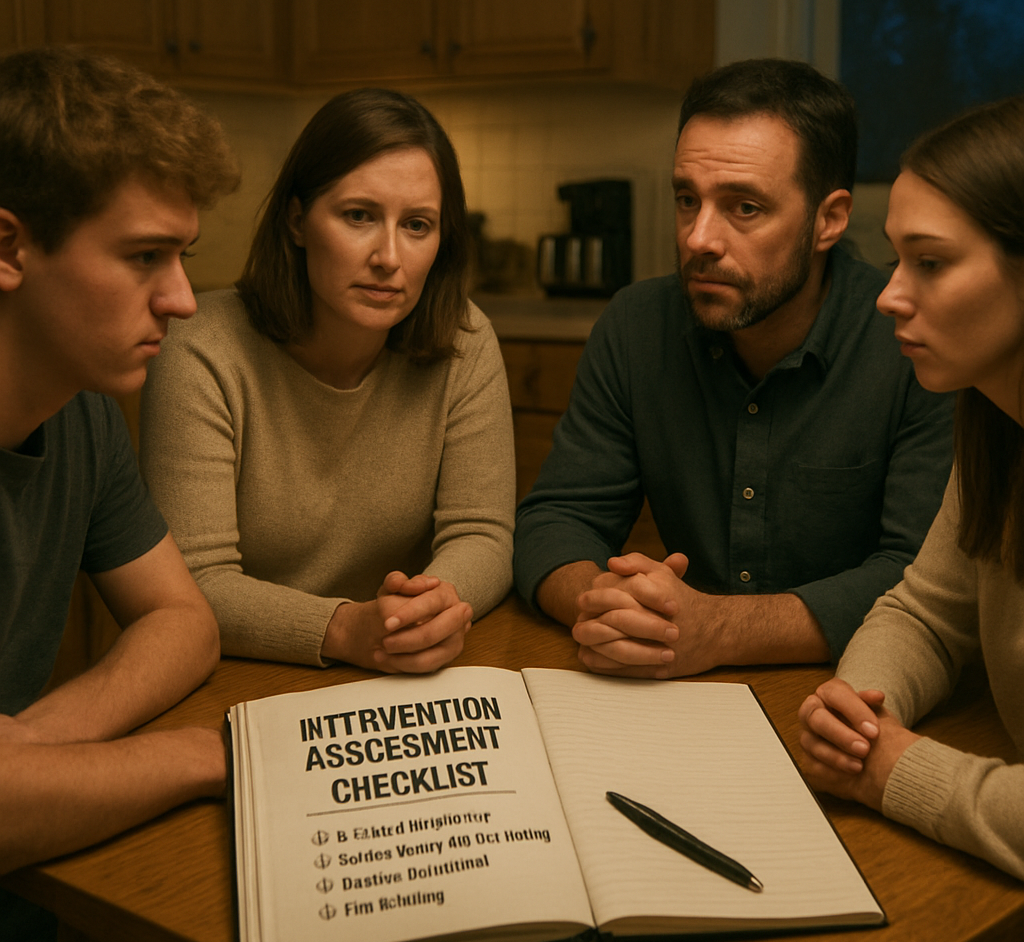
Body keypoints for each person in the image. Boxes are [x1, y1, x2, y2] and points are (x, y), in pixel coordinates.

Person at [514, 58, 953, 678]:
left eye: (744, 207)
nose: (699, 238)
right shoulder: (637, 325)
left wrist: (719, 629)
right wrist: (601, 603)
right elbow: (557, 519)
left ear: (828, 220)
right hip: (673, 681)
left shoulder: (911, 340)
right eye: (686, 199)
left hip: (854, 686)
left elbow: (922, 579)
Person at [140, 89, 514, 673]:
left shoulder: (464, 339)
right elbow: (193, 582)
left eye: (417, 225)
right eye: (359, 216)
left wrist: (430, 610)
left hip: (410, 668)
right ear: (297, 221)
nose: (389, 257)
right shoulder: (201, 347)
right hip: (240, 670)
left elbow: (483, 533)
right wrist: (344, 628)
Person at [0, 47, 240, 942]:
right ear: (8, 248)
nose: (182, 300)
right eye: (144, 257)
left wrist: (34, 745)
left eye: (182, 257)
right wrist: (204, 757)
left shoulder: (83, 411)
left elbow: (183, 621)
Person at [798, 96, 1024, 880]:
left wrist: (892, 768)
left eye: (929, 262)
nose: (889, 294)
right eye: (896, 260)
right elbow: (926, 612)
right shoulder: (997, 425)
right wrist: (858, 710)